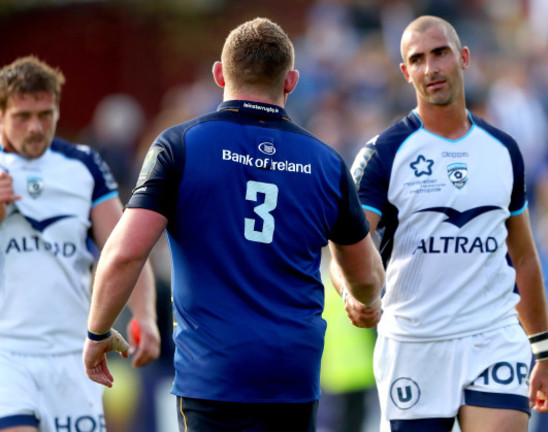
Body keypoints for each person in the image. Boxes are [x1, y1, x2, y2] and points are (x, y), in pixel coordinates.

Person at [82, 17, 385, 432]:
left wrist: (97, 333)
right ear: (291, 81)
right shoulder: (326, 162)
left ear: (219, 74)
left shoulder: (179, 146)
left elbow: (124, 253)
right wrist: (365, 301)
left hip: (212, 375)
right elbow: (366, 273)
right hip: (291, 376)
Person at [336, 15, 548, 432]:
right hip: (415, 344)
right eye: (417, 60)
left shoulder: (503, 150)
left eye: (440, 53)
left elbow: (524, 256)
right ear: (405, 72)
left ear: (464, 57)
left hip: (492, 336)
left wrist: (544, 352)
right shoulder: (383, 154)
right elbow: (348, 244)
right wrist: (352, 291)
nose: (430, 68)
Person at [0, 56, 160, 432]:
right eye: (23, 116)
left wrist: (146, 317)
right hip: (7, 352)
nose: (36, 127)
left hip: (74, 351)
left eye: (46, 113)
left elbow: (125, 247)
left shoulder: (83, 166)